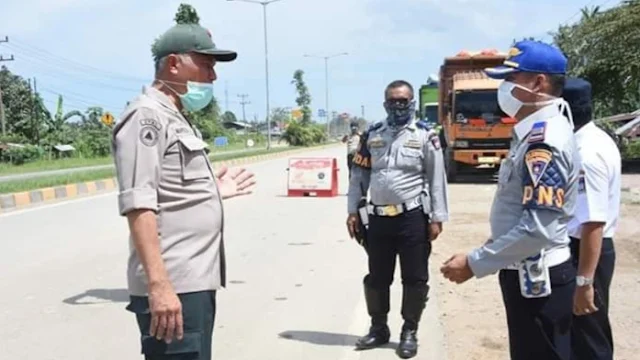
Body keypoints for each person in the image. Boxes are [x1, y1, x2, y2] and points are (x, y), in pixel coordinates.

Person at [111, 23, 256, 360]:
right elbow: (139, 205)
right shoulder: (145, 117)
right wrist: (159, 287)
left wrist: (215, 191)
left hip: (193, 282)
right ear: (174, 64)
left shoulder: (174, 115)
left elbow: (172, 190)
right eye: (206, 65)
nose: (213, 77)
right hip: (174, 284)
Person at [439, 40, 580, 360]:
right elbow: (521, 211)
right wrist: (491, 249)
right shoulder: (531, 133)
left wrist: (475, 263)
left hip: (540, 278)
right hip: (524, 271)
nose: (503, 88)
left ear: (538, 83)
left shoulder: (545, 141)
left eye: (511, 80)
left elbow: (538, 228)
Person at [346, 80, 449, 359]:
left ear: (412, 102)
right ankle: (379, 328)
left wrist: (437, 217)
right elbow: (359, 176)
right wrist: (353, 211)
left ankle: (409, 331)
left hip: (412, 217)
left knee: (414, 278)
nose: (398, 106)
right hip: (378, 219)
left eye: (403, 101)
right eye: (393, 100)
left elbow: (437, 178)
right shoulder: (372, 135)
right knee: (377, 277)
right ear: (385, 103)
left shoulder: (426, 136)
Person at [563, 78, 621, 360]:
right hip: (587, 249)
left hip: (586, 250)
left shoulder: (587, 154)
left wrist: (584, 282)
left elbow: (593, 223)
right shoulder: (593, 139)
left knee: (589, 335)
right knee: (582, 333)